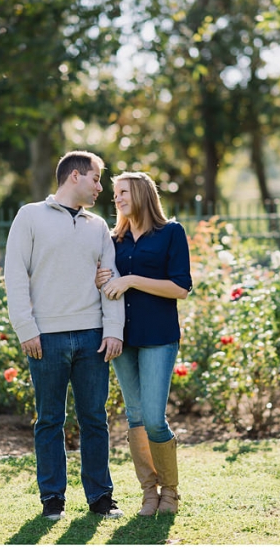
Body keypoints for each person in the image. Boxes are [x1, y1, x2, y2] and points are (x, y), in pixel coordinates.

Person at [4, 150, 126, 521]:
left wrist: (113, 330)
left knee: (94, 420)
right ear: (75, 176)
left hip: (92, 338)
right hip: (46, 338)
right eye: (96, 178)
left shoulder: (97, 226)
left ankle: (101, 498)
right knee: (49, 420)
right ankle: (52, 499)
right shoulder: (30, 216)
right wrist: (26, 328)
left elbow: (111, 281)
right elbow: (15, 275)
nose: (100, 187)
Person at [95, 171, 192, 516]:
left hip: (158, 337)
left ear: (141, 194)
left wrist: (132, 279)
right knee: (135, 416)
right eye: (114, 194)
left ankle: (171, 492)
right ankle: (149, 493)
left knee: (153, 417)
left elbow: (180, 287)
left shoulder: (171, 233)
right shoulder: (111, 239)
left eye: (122, 192)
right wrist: (101, 279)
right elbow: (103, 279)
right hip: (122, 337)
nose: (116, 198)